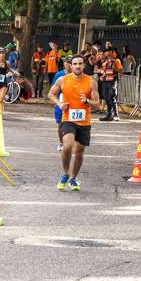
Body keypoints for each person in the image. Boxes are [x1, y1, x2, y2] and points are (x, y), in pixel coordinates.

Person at [48, 55, 98, 191]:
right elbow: (51, 94)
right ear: (70, 66)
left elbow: (97, 104)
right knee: (68, 145)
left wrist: (87, 102)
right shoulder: (62, 80)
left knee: (80, 151)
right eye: (75, 64)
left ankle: (74, 178)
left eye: (80, 63)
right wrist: (60, 104)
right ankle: (65, 174)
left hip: (84, 121)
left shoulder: (91, 82)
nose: (77, 66)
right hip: (68, 119)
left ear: (84, 65)